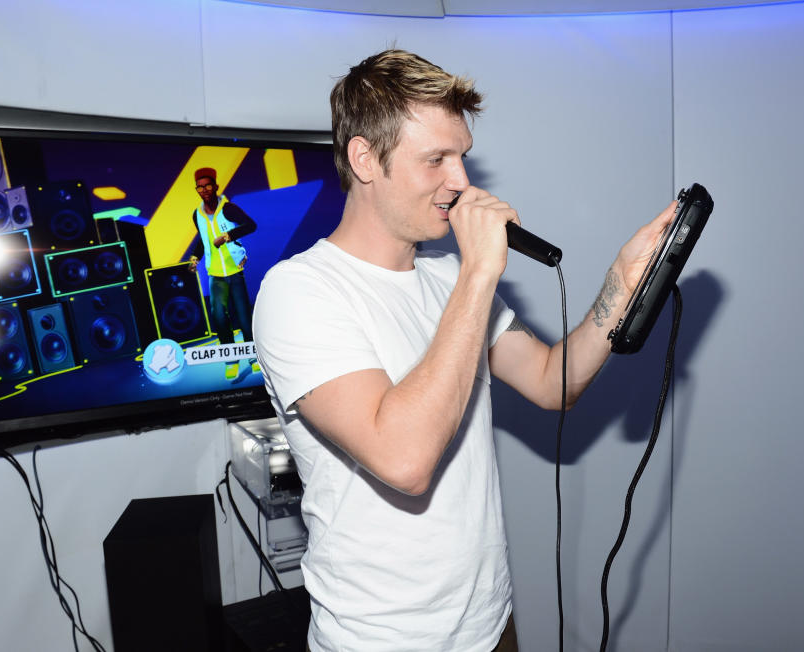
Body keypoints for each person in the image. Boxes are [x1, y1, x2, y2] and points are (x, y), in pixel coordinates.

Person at [252, 50, 676, 652]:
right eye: (436, 160)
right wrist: (479, 272)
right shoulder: (299, 292)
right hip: (383, 640)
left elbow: (554, 381)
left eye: (462, 157)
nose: (461, 182)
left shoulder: (449, 277)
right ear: (365, 159)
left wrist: (622, 283)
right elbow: (405, 462)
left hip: (491, 624)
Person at [188, 167, 259, 380]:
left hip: (234, 270)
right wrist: (195, 257)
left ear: (216, 187)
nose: (204, 190)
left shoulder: (228, 208)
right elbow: (204, 238)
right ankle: (231, 360)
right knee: (219, 317)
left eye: (207, 185)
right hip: (215, 274)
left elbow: (251, 225)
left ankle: (254, 357)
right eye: (199, 187)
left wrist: (228, 235)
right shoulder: (197, 214)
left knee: (244, 317)